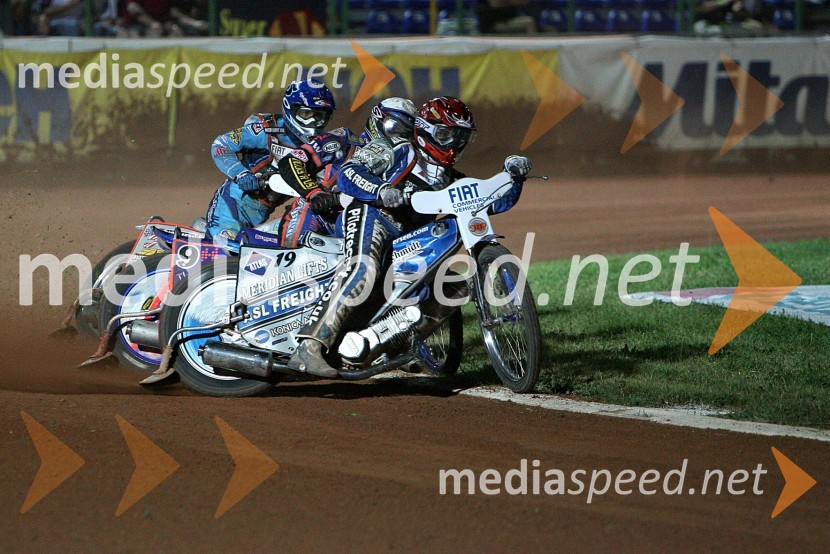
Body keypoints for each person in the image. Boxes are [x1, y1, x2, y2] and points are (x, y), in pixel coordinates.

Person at [287, 96, 532, 377]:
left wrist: (514, 179)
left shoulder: (448, 177)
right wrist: (381, 190)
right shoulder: (395, 148)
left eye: (461, 137)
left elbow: (492, 204)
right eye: (446, 134)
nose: (453, 144)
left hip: (407, 238)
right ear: (425, 130)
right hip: (372, 215)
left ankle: (392, 347)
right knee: (363, 268)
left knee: (454, 288)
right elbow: (349, 174)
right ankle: (310, 346)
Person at [275, 97, 418, 248]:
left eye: (406, 132)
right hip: (319, 213)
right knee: (296, 246)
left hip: (366, 222)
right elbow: (291, 161)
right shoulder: (344, 140)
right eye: (394, 127)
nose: (398, 136)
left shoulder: (408, 159)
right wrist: (315, 193)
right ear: (378, 119)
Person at [205, 79, 336, 242]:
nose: (313, 122)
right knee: (226, 247)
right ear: (290, 109)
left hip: (263, 213)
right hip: (234, 200)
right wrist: (241, 173)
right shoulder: (266, 129)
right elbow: (221, 145)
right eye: (306, 114)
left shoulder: (323, 146)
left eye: (319, 116)